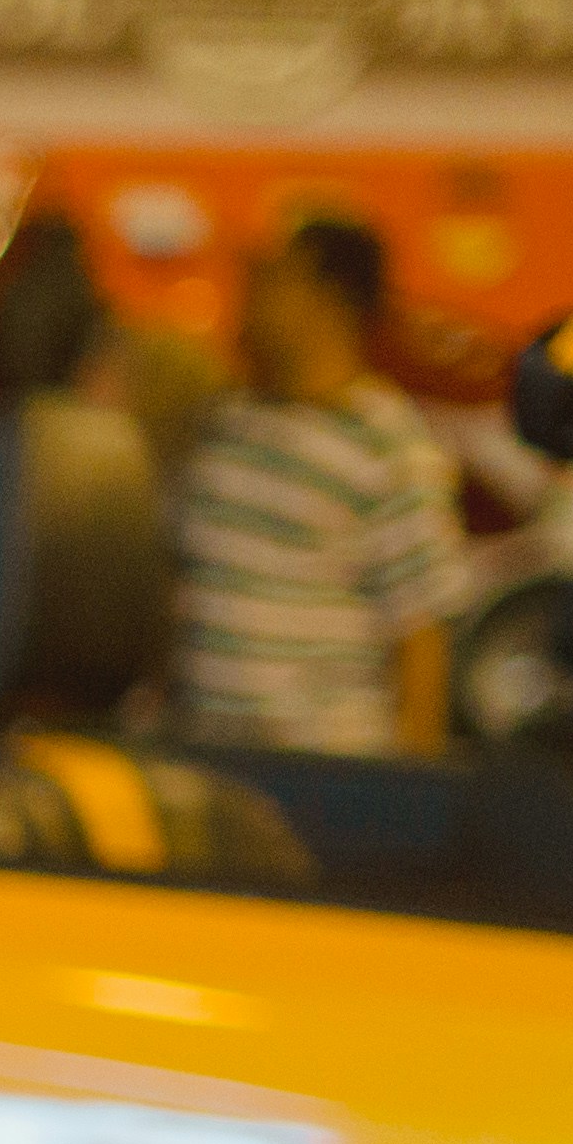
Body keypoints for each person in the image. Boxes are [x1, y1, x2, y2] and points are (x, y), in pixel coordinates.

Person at [173, 212, 477, 757]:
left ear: (328, 297)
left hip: (325, 772)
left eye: (274, 276)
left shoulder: (388, 445)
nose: (251, 294)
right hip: (211, 761)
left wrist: (411, 787)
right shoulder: (228, 422)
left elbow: (422, 635)